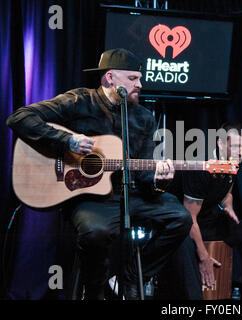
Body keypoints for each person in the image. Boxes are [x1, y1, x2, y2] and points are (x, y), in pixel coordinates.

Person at [6, 48, 192, 300]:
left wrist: (159, 181)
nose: (140, 84)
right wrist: (66, 140)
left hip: (130, 194)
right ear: (109, 78)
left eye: (139, 78)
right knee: (96, 232)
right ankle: (94, 289)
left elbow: (146, 178)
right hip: (88, 197)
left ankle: (132, 278)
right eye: (133, 79)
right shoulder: (80, 101)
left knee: (180, 218)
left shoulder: (144, 117)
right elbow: (19, 117)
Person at [156, 122, 242, 300]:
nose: (241, 152)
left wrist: (228, 205)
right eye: (236, 146)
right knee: (185, 246)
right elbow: (189, 217)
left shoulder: (232, 162)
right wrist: (204, 258)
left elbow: (227, 193)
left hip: (210, 218)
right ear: (221, 143)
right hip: (185, 225)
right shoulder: (201, 166)